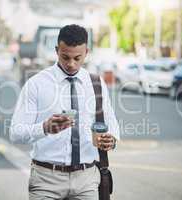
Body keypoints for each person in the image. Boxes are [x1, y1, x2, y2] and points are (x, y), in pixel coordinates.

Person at [10, 24, 120, 200]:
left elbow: (111, 123)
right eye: (65, 57)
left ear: (87, 52)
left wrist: (111, 140)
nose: (71, 64)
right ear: (56, 50)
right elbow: (16, 133)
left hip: (86, 179)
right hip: (46, 180)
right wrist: (45, 128)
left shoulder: (96, 84)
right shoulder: (36, 84)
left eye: (77, 58)